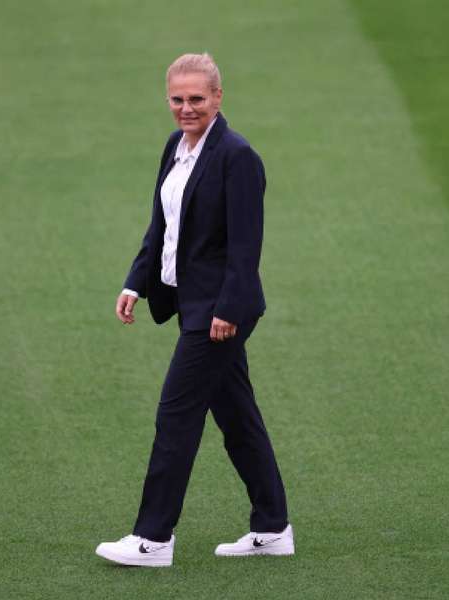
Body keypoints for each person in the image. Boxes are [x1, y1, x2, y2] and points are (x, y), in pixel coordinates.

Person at [95, 53, 292, 568]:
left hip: (220, 313)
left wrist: (228, 308)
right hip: (193, 303)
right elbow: (162, 224)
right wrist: (135, 283)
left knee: (176, 415)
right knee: (237, 417)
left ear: (218, 98)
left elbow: (247, 245)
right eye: (178, 100)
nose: (187, 108)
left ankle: (153, 539)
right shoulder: (176, 148)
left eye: (197, 99)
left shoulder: (237, 156)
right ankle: (273, 527)